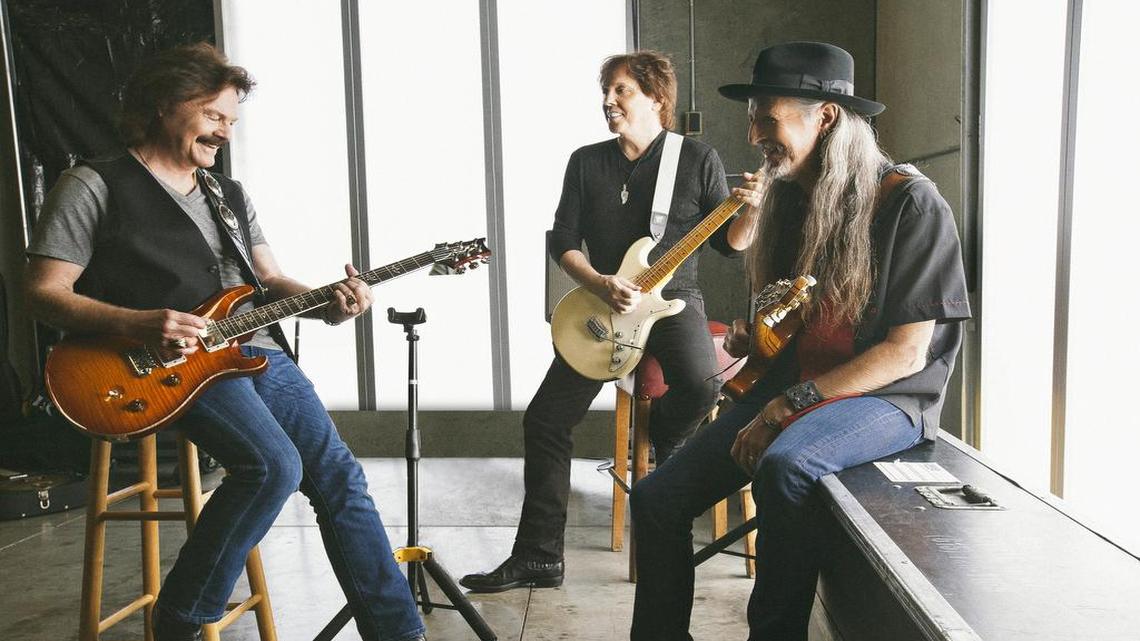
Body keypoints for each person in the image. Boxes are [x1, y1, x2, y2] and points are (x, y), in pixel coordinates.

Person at [23, 43, 425, 641]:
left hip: (255, 349)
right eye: (214, 116)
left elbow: (267, 281)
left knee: (340, 478)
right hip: (165, 365)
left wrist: (329, 302)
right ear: (166, 105)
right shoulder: (93, 184)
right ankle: (180, 619)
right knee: (272, 466)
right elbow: (42, 291)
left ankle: (399, 634)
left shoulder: (226, 195)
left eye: (231, 122)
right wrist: (136, 322)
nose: (224, 134)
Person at [628, 41, 971, 641]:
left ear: (826, 115)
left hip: (891, 398)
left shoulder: (913, 204)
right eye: (752, 116)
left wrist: (789, 405)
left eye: (768, 116)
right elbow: (796, 320)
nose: (755, 131)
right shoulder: (791, 198)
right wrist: (756, 337)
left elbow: (906, 352)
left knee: (786, 465)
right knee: (656, 500)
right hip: (796, 384)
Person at [460, 51, 758, 593]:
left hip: (674, 302)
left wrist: (751, 211)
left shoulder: (696, 159)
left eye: (621, 91)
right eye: (607, 91)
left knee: (698, 384)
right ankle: (538, 557)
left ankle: (662, 447)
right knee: (545, 420)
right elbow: (563, 241)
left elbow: (729, 246)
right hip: (603, 304)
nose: (608, 101)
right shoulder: (586, 161)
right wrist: (601, 283)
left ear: (655, 98)